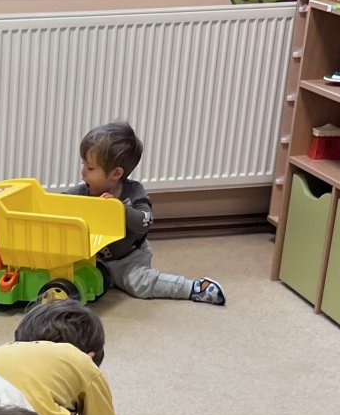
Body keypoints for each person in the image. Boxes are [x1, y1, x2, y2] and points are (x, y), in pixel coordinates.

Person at [63, 121, 224, 307]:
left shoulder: (133, 193)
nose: (82, 173)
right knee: (67, 274)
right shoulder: (81, 192)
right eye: (83, 164)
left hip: (128, 258)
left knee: (140, 284)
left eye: (90, 168)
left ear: (115, 173)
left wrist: (120, 210)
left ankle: (193, 288)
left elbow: (145, 222)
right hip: (94, 259)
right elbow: (58, 204)